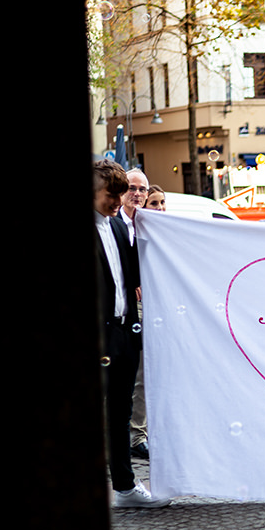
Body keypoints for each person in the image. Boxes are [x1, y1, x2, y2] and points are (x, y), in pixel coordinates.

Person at [92, 160, 168, 508]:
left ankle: (124, 488)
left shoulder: (120, 229)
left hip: (123, 333)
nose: (118, 201)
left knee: (121, 413)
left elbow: (136, 275)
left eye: (120, 194)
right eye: (112, 194)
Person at [121, 168, 150, 459]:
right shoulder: (112, 223)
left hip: (145, 307)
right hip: (119, 308)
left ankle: (137, 434)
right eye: (132, 187)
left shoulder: (150, 225)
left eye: (143, 189)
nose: (138, 194)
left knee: (141, 372)